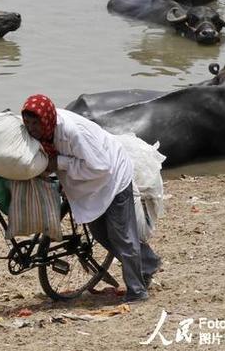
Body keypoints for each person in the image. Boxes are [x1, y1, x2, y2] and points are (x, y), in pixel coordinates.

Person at [21, 94, 161, 303]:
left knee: (122, 236)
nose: (32, 129)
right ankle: (148, 263)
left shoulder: (73, 133)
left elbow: (100, 167)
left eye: (35, 123)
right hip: (88, 183)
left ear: (47, 120)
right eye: (28, 123)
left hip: (113, 175)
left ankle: (137, 291)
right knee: (100, 233)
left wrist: (59, 162)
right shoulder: (45, 133)